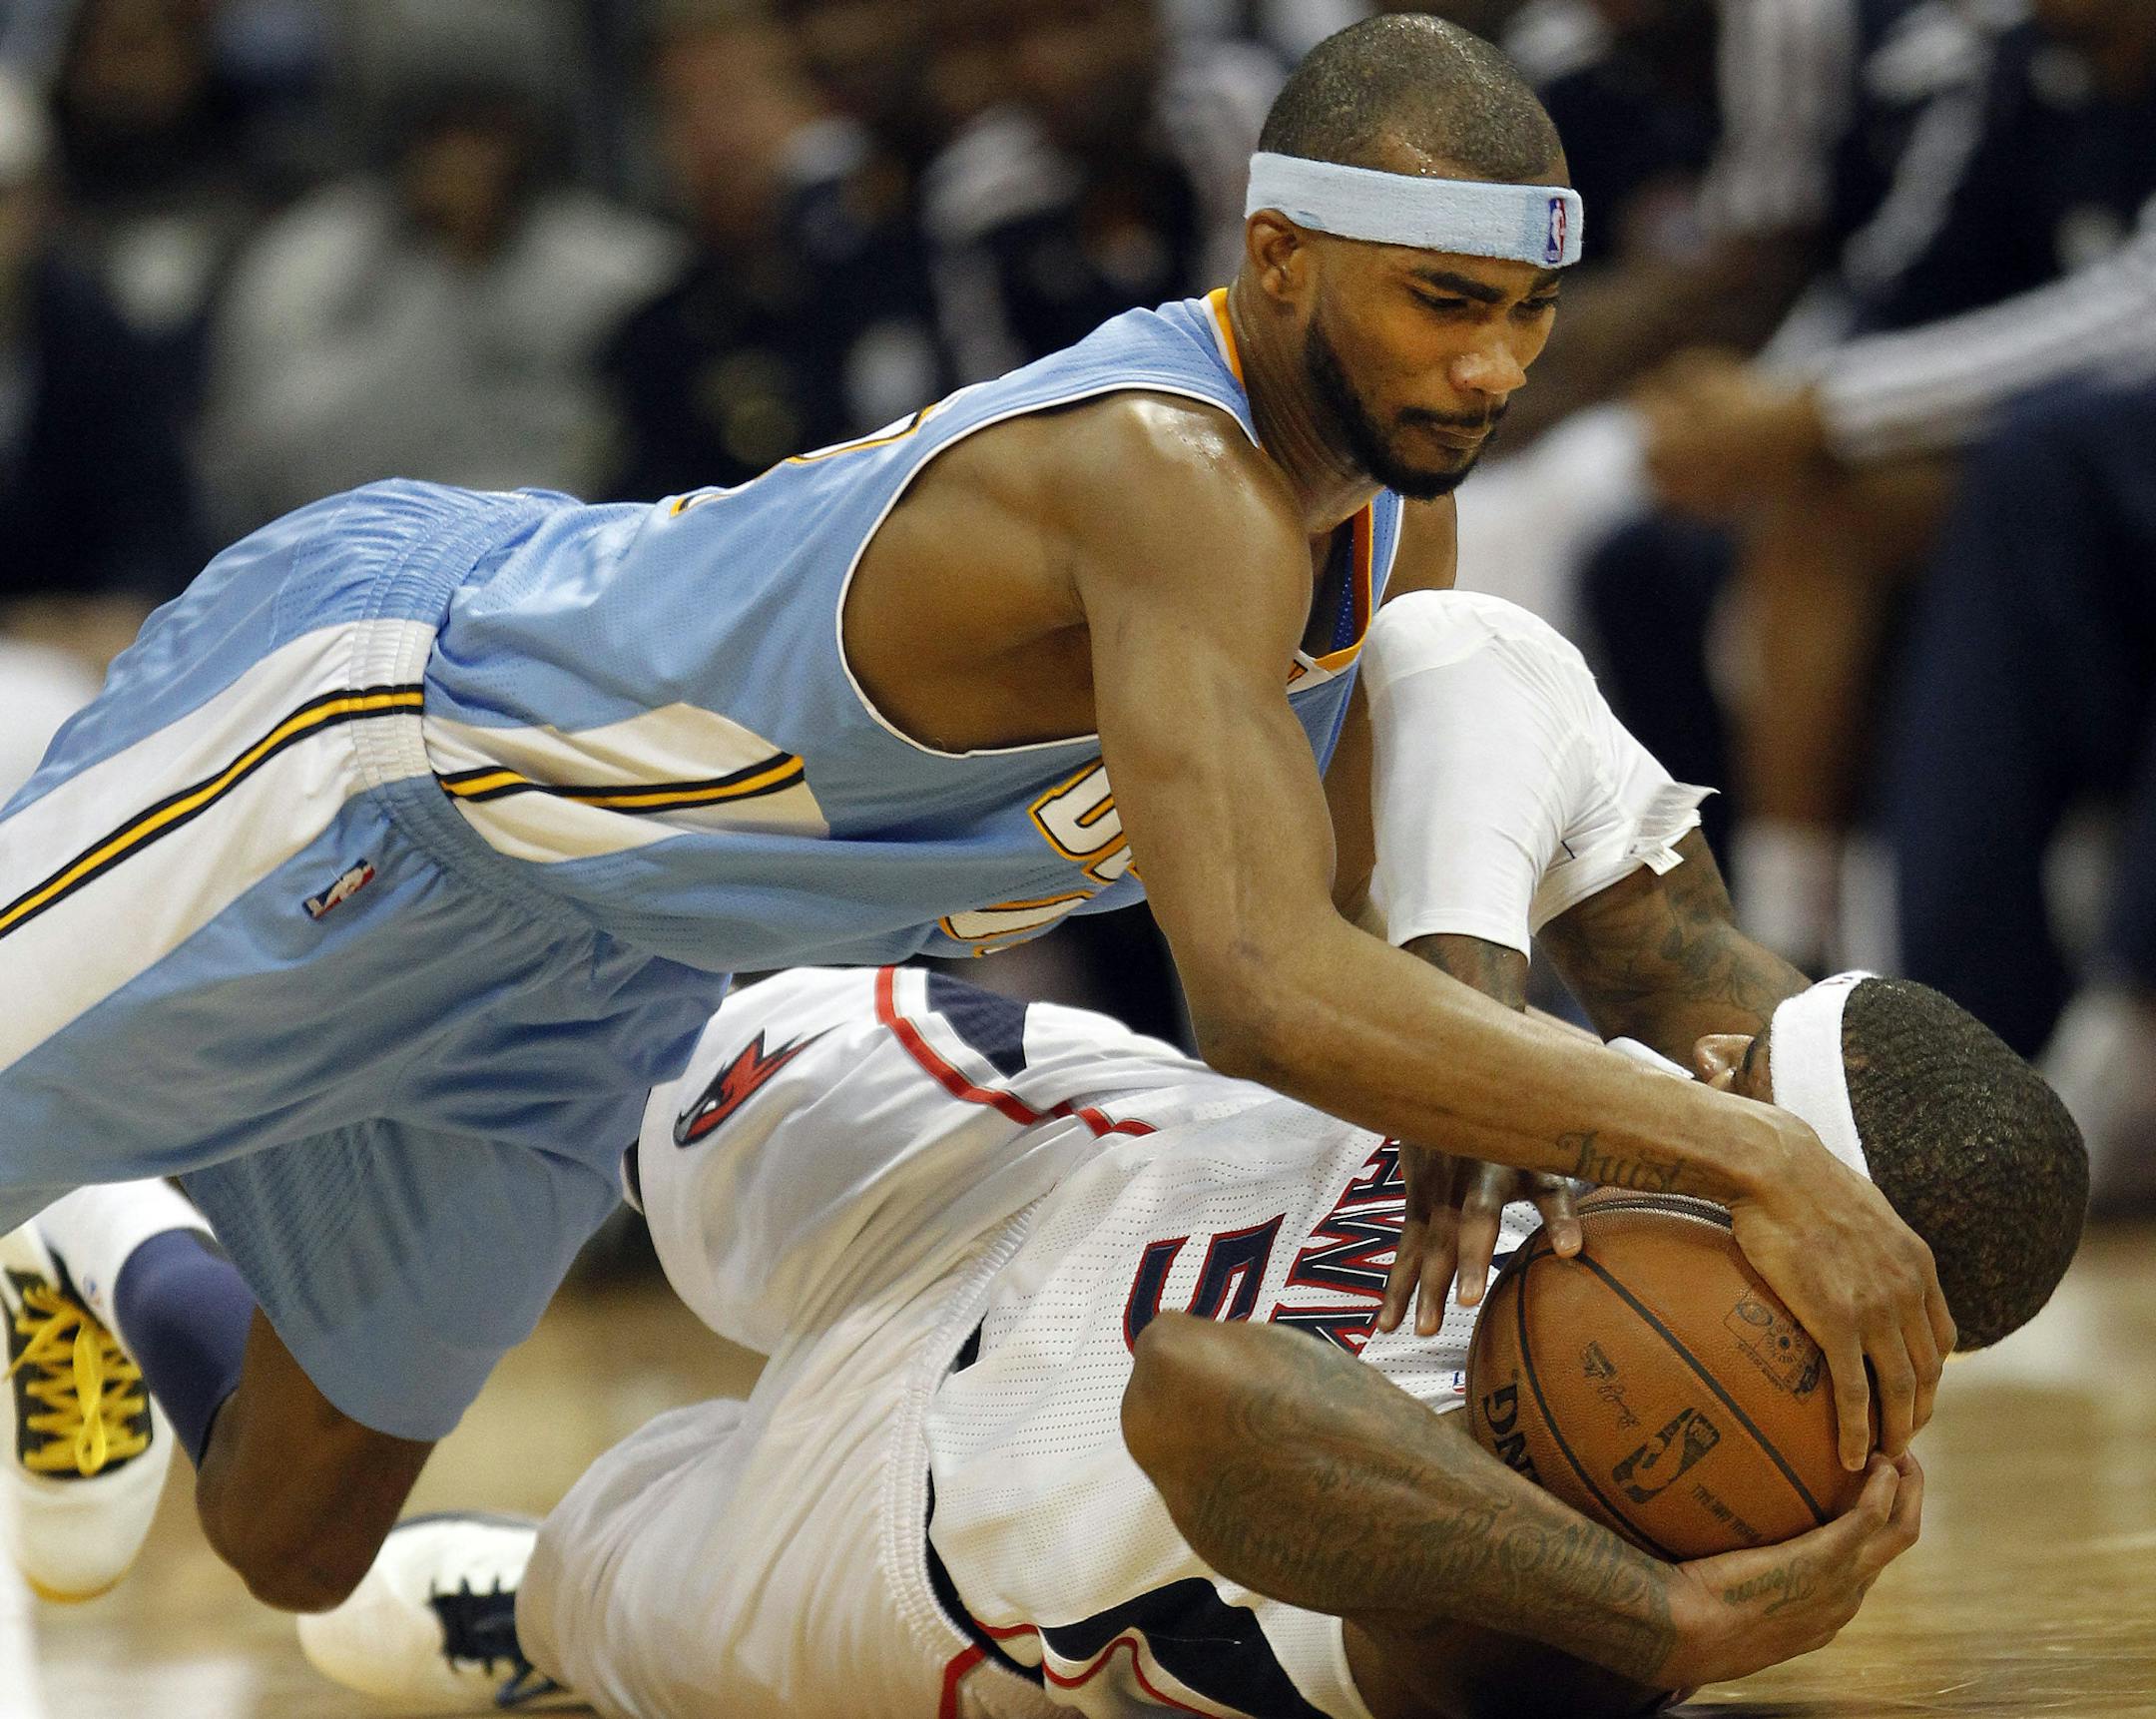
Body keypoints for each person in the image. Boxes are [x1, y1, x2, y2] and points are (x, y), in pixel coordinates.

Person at [0, 16, 1947, 1617]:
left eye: (1528, 313)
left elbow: (1362, 921)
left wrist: (1499, 1092)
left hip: (605, 955)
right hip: (384, 745)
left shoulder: (1379, 520)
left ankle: (101, 1240)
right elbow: (1266, 991)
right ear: (1280, 255)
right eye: (1445, 303)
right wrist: (1746, 1153)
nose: (1495, 367)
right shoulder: (1165, 471)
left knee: (291, 1538)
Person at [286, 591, 2084, 1719]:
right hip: (1055, 1149)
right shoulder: (1718, 1083)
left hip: (932, 1542)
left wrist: (1662, 1621)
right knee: (602, 1073)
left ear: (1832, 1285)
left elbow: (1207, 1396)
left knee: (540, 1590)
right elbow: (1461, 649)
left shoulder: (1683, 1500)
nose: (1703, 1076)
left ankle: (176, 1295)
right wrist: (1472, 1029)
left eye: (1741, 1120)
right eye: (1729, 1079)